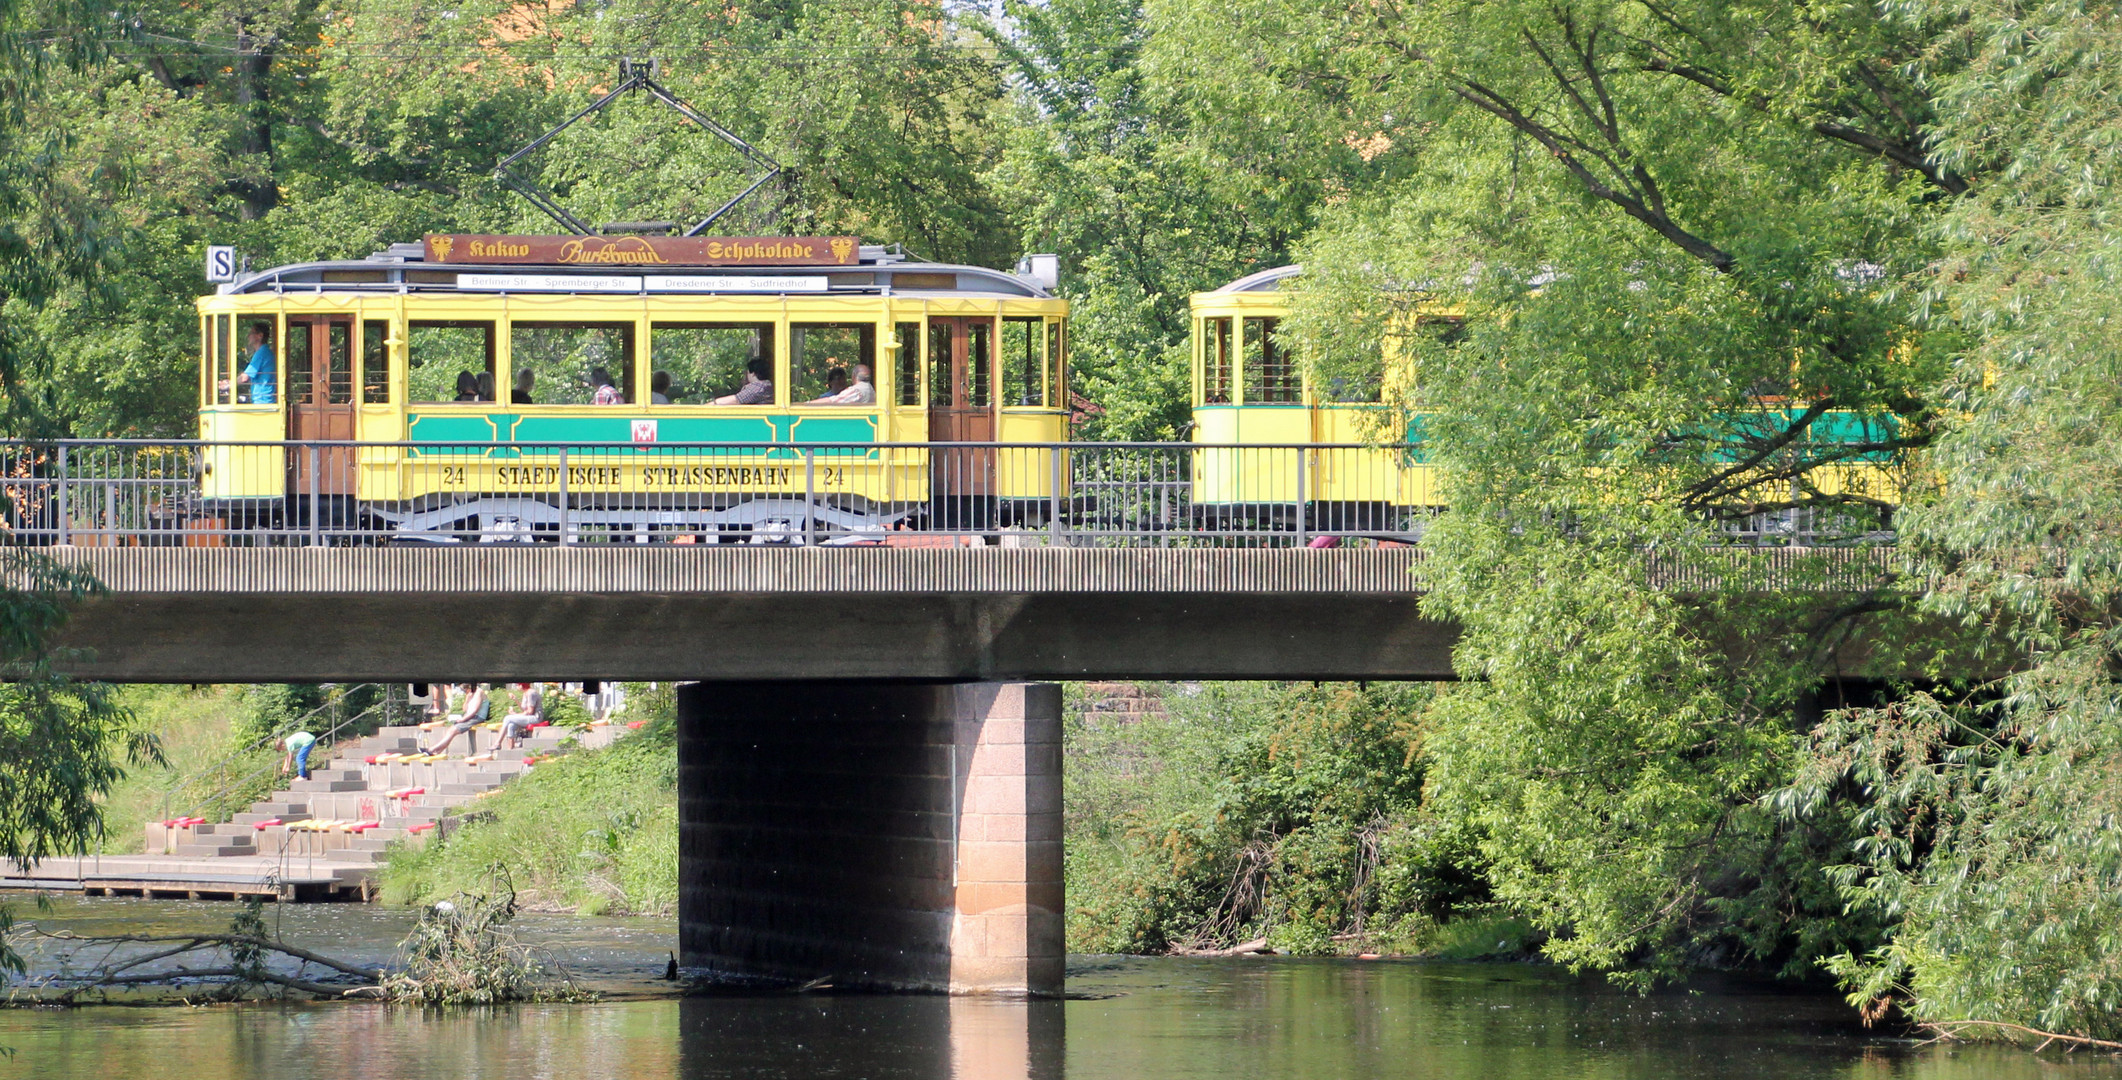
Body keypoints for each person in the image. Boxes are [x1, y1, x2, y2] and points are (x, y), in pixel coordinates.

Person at [423, 682, 489, 756]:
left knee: (453, 730)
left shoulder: (478, 693)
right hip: (469, 716)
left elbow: (474, 711)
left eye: (465, 690)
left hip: (477, 717)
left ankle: (431, 749)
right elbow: (465, 709)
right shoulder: (470, 694)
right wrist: (467, 699)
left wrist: (463, 719)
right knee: (450, 730)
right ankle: (437, 751)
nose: (465, 692)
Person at [498, 682, 546, 749]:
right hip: (529, 716)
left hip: (535, 718)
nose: (516, 686)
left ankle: (498, 743)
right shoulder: (525, 693)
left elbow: (530, 711)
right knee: (511, 724)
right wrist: (515, 699)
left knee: (507, 718)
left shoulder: (531, 693)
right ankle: (510, 749)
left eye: (517, 685)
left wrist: (515, 714)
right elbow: (524, 710)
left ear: (521, 685)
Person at [237, 323, 276, 404]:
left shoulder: (262, 353)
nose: (248, 336)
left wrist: (228, 384)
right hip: (263, 399)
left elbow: (244, 378)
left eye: (251, 333)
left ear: (260, 336)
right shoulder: (264, 352)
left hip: (262, 401)